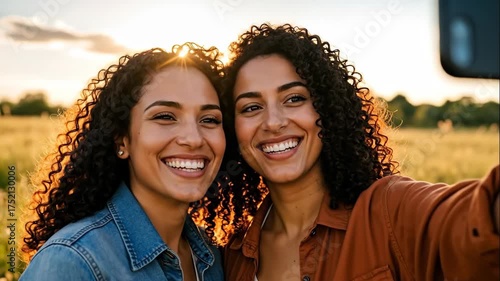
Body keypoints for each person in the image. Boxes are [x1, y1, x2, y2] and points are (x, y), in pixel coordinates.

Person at [216, 23, 500, 281]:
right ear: (232, 127)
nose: (274, 122)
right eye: (251, 107)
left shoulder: (391, 211)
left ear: (327, 109)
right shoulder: (232, 254)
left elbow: (473, 219)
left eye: (294, 98)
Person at [20, 43, 226, 281]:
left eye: (210, 119)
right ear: (122, 141)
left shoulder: (214, 255)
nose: (193, 138)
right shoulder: (73, 261)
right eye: (165, 116)